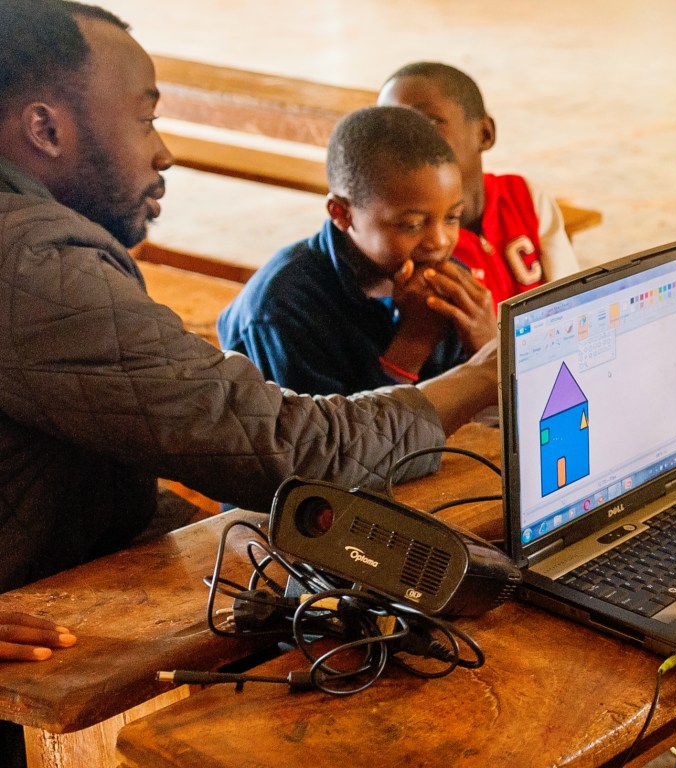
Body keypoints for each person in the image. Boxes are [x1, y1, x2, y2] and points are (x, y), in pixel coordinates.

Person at [0, 3, 495, 763]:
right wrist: (489, 373)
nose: (163, 152)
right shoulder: (35, 270)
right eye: (144, 117)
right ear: (46, 130)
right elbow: (283, 447)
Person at [219, 106, 498, 397]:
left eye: (452, 218)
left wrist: (488, 348)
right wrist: (413, 343)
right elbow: (327, 438)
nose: (440, 241)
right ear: (342, 214)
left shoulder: (443, 283)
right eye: (412, 224)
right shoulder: (282, 308)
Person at [377, 61, 581, 307]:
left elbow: (574, 302)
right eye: (391, 128)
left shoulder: (523, 197)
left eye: (430, 122)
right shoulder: (408, 236)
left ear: (485, 134)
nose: (408, 139)